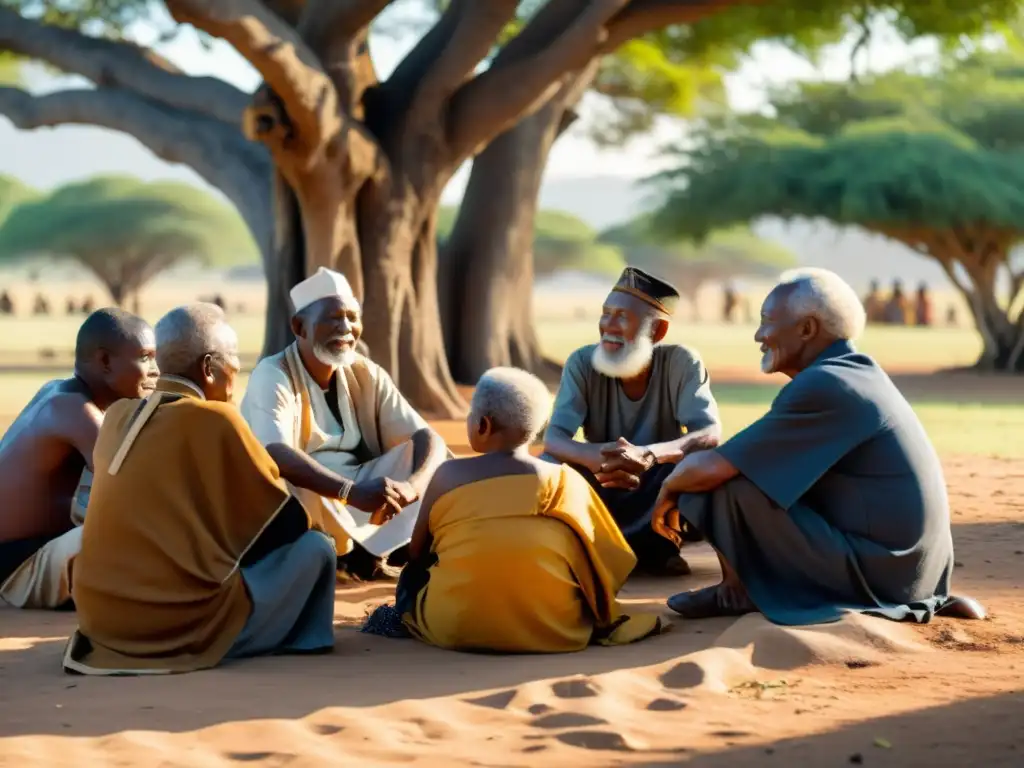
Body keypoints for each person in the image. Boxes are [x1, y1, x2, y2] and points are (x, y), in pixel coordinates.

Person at [654, 268, 984, 625]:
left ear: (807, 329)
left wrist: (667, 489)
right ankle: (743, 587)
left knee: (716, 484)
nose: (758, 335)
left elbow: (715, 467)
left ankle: (737, 591)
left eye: (766, 322)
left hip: (884, 576)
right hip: (912, 571)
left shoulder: (827, 385)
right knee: (751, 472)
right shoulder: (853, 372)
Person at [64, 304, 336, 674]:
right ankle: (304, 640)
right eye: (234, 362)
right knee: (317, 547)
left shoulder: (117, 416)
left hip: (101, 626)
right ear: (209, 368)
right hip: (176, 631)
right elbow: (287, 527)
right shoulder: (217, 418)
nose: (237, 374)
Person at [398, 367, 663, 652]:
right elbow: (605, 555)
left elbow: (417, 552)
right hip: (553, 627)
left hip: (454, 627)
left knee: (411, 576)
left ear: (482, 425)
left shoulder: (447, 475)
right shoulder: (564, 480)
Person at [241, 267, 449, 581]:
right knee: (296, 478)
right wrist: (349, 492)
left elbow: (425, 436)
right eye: (333, 318)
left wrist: (410, 489)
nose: (346, 328)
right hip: (310, 491)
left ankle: (383, 550)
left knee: (429, 458)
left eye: (352, 317)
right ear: (300, 327)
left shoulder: (365, 371)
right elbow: (275, 452)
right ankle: (352, 555)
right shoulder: (272, 374)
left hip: (357, 487)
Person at [543, 266, 721, 576]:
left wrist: (648, 455)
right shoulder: (582, 363)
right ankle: (583, 550)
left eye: (622, 317)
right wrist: (597, 457)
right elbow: (554, 438)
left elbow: (709, 432)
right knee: (548, 465)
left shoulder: (681, 362)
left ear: (658, 332)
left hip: (657, 478)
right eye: (605, 314)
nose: (608, 326)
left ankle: (662, 545)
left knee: (704, 462)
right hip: (601, 477)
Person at [0, 308, 158, 609]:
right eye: (145, 356)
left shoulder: (57, 391)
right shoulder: (74, 411)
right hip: (16, 565)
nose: (155, 369)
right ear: (104, 362)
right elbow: (139, 486)